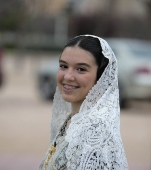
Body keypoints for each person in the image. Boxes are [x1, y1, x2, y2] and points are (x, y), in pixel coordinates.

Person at [39, 35, 128, 170]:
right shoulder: (73, 120)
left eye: (81, 69)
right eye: (63, 66)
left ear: (101, 76)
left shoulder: (96, 131)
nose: (68, 76)